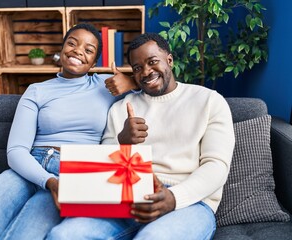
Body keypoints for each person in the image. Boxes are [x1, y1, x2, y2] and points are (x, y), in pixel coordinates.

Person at [0, 23, 137, 240]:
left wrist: (130, 80)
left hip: (70, 170)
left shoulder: (107, 85)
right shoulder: (37, 90)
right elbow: (16, 150)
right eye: (72, 43)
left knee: (25, 234)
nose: (78, 50)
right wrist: (48, 181)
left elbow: (154, 81)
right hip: (27, 166)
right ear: (61, 49)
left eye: (88, 50)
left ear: (94, 61)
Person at [47, 33, 235, 239]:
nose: (146, 72)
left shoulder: (209, 101)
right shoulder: (120, 109)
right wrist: (123, 142)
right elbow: (104, 172)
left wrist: (173, 197)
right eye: (137, 68)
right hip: (126, 199)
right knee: (63, 235)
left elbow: (216, 165)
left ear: (169, 60)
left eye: (153, 62)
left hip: (188, 203)